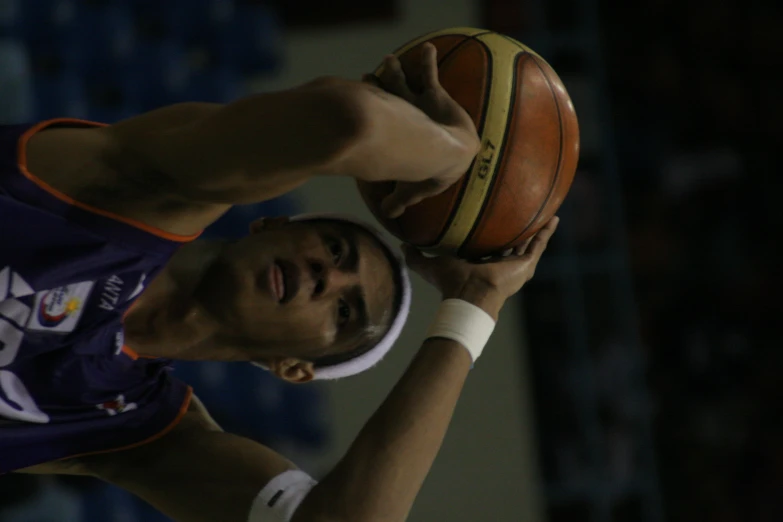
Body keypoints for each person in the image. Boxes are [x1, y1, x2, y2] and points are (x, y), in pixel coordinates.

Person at [0, 43, 559, 521]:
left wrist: (474, 305)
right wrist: (454, 154)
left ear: (293, 369)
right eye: (336, 250)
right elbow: (347, 120)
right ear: (266, 225)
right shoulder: (144, 196)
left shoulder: (140, 435)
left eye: (344, 311)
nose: (328, 276)